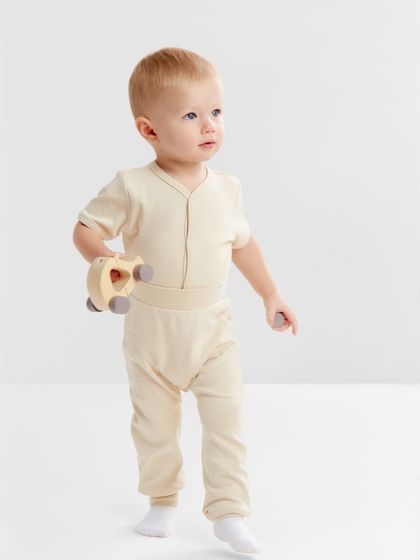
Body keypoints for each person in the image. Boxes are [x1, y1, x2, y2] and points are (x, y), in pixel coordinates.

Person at [73, 46, 298, 555]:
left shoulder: (228, 188)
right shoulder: (132, 186)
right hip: (151, 331)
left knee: (226, 423)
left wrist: (270, 294)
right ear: (148, 129)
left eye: (215, 111)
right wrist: (105, 258)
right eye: (191, 115)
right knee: (154, 425)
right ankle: (162, 500)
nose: (209, 125)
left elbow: (243, 245)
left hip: (212, 330)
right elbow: (85, 227)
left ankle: (229, 511)